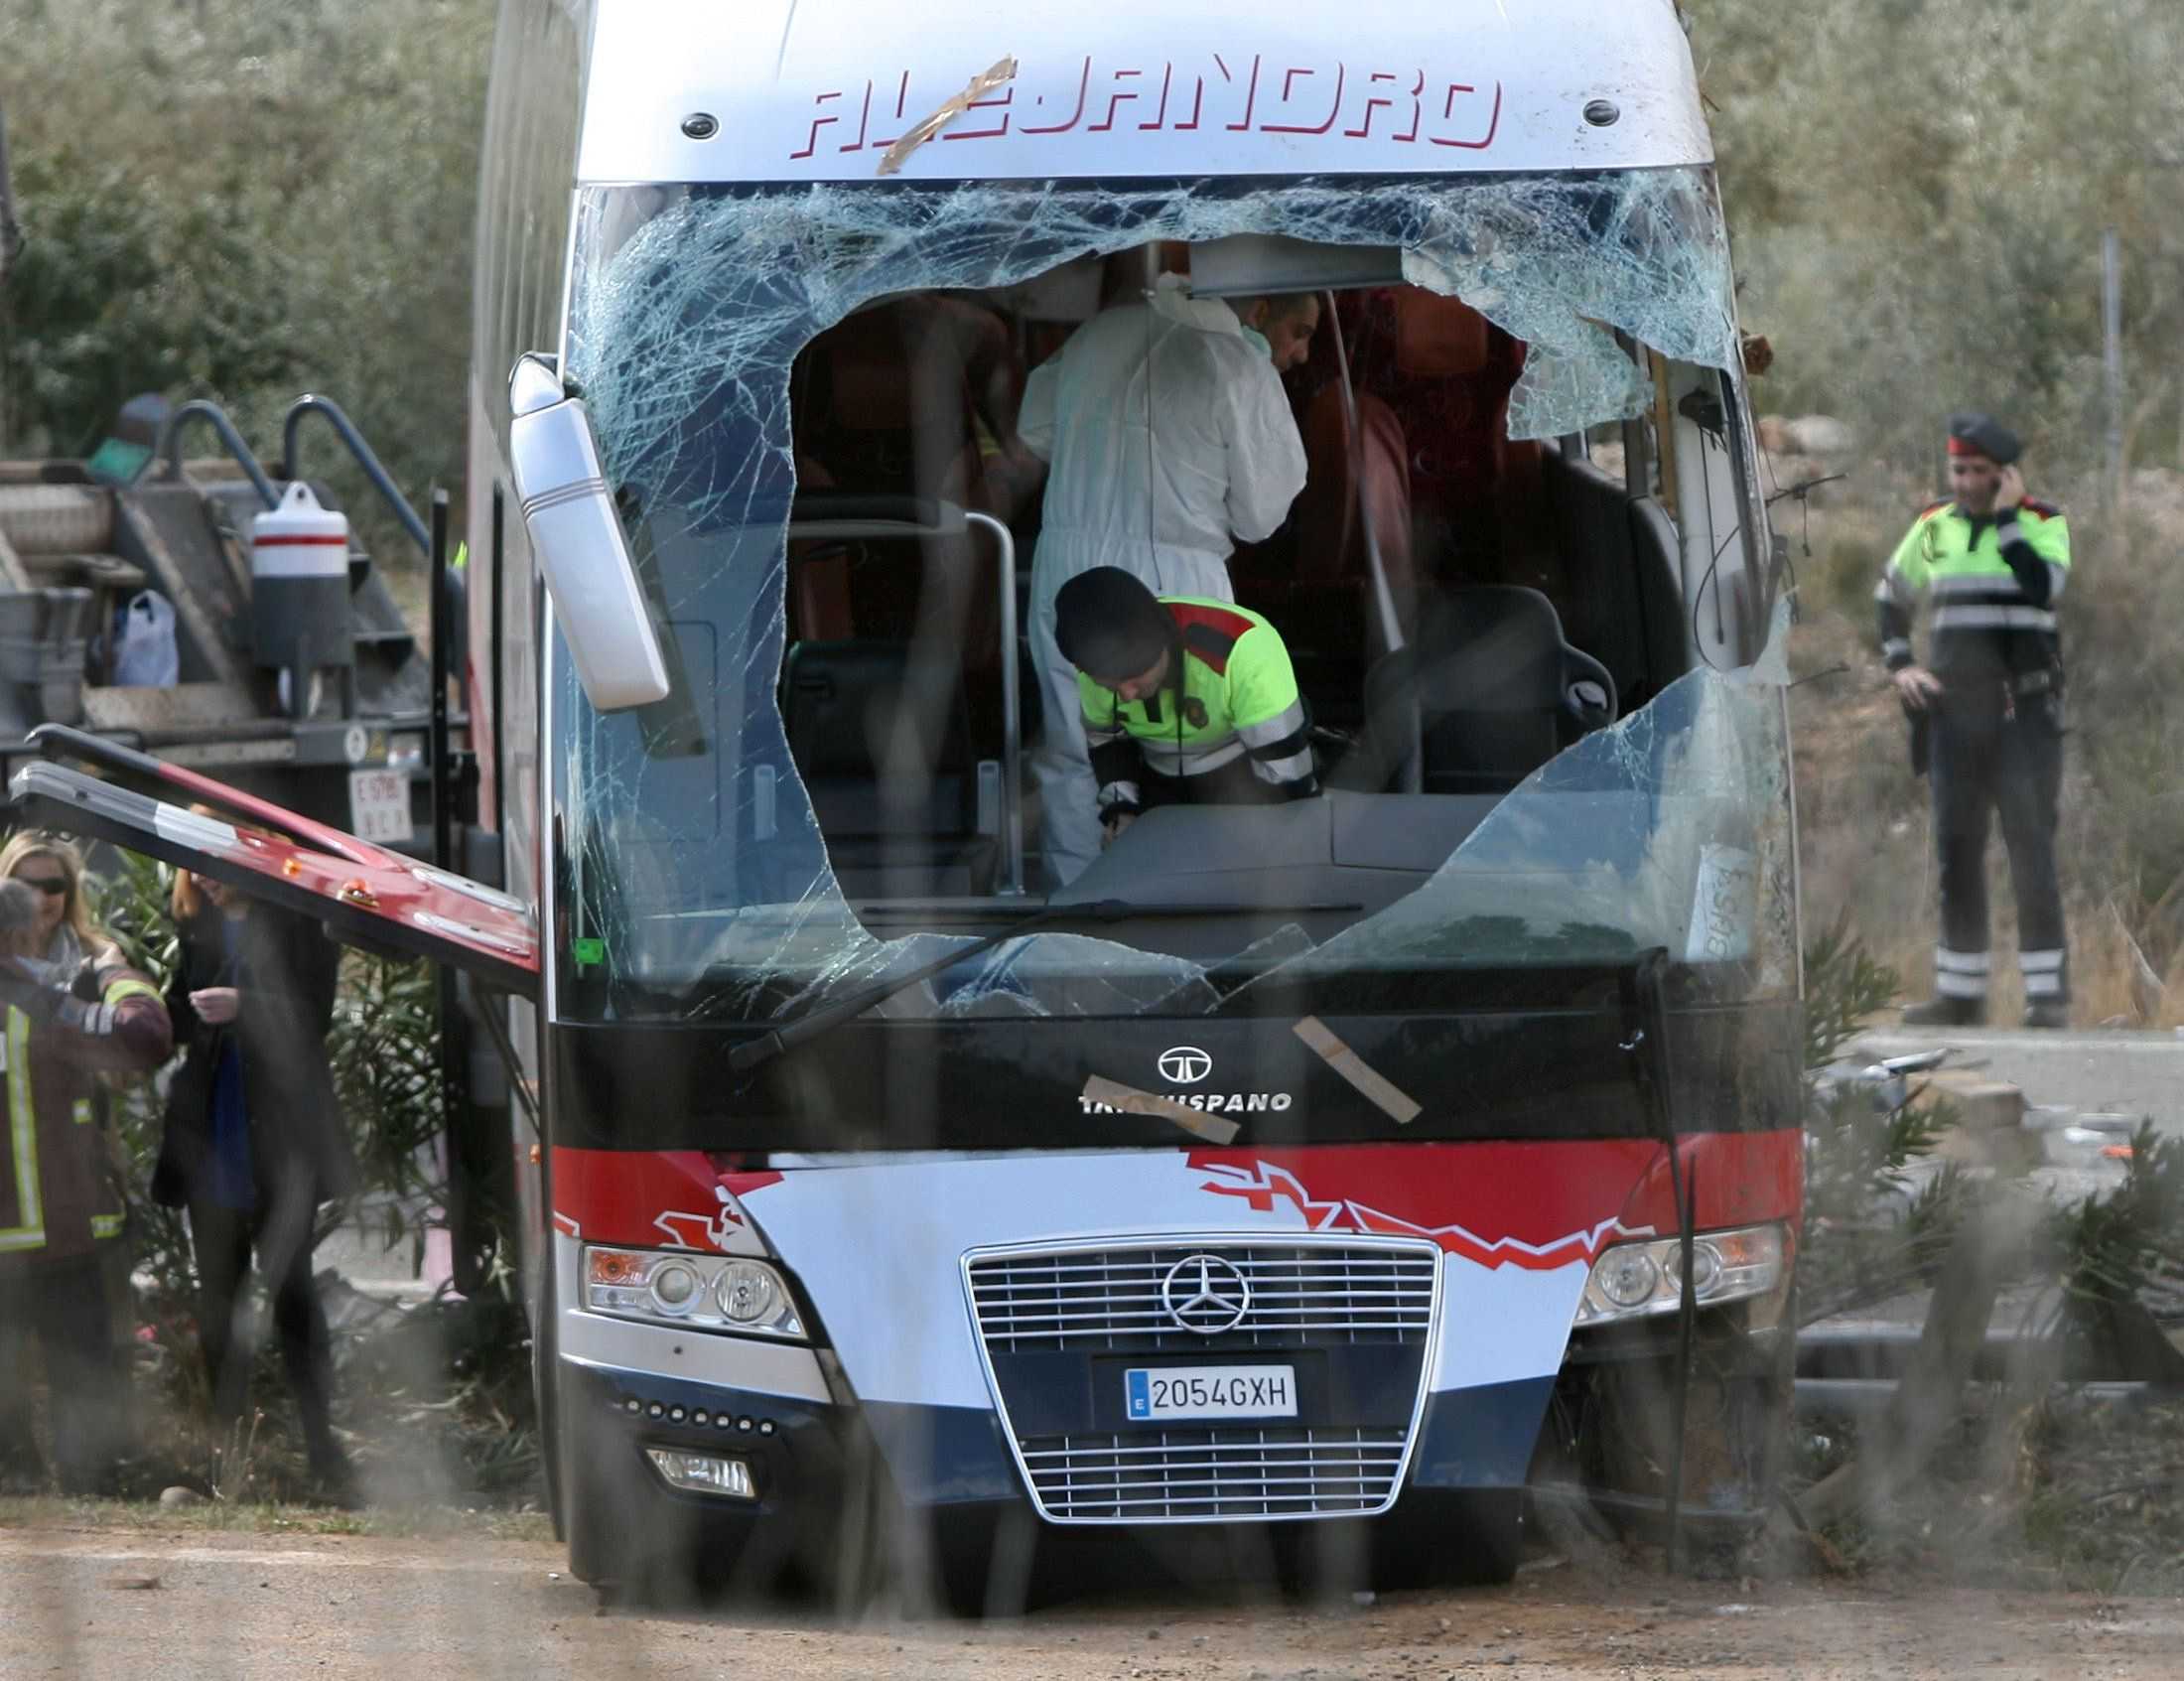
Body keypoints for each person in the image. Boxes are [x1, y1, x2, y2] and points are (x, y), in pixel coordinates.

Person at [1019, 274, 1317, 883]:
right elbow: (1263, 516)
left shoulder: (1097, 333)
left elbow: (1035, 429)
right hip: (1174, 573)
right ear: (1258, 307)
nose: (1301, 353)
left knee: (1077, 752)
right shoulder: (1233, 360)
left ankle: (1079, 922)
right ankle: (1184, 909)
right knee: (1192, 754)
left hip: (1066, 564)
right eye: (1297, 332)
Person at [156, 858, 357, 1497]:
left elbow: (313, 1018)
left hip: (281, 1146)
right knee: (219, 1305)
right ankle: (228, 1462)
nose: (206, 879)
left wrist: (245, 1005)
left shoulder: (295, 924)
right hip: (213, 1141)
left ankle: (325, 1452)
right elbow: (177, 1022)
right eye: (194, 869)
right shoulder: (198, 930)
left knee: (294, 1298)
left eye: (216, 865)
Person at [1876, 412, 2073, 1029]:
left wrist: (2010, 520)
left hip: (2025, 718)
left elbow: (2043, 588)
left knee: (2030, 850)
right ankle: (1961, 995)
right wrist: (1902, 664)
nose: (1963, 482)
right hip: (1954, 719)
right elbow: (1891, 597)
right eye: (1957, 469)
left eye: (1978, 472)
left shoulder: (2043, 524)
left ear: (2005, 475)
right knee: (1957, 852)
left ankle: (2047, 999)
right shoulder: (1934, 527)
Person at [0, 862, 173, 1494]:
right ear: (22, 938)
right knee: (81, 1384)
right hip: (58, 1240)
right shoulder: (47, 1008)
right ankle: (86, 1489)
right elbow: (146, 1035)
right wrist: (115, 971)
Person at [1053, 567, 1319, 847]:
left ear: (1163, 646)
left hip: (1244, 776)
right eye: (1111, 686)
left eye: (1136, 677)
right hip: (1156, 779)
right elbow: (1108, 742)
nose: (1128, 695)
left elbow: (1289, 783)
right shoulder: (1092, 669)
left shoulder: (1243, 651)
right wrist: (1122, 809)